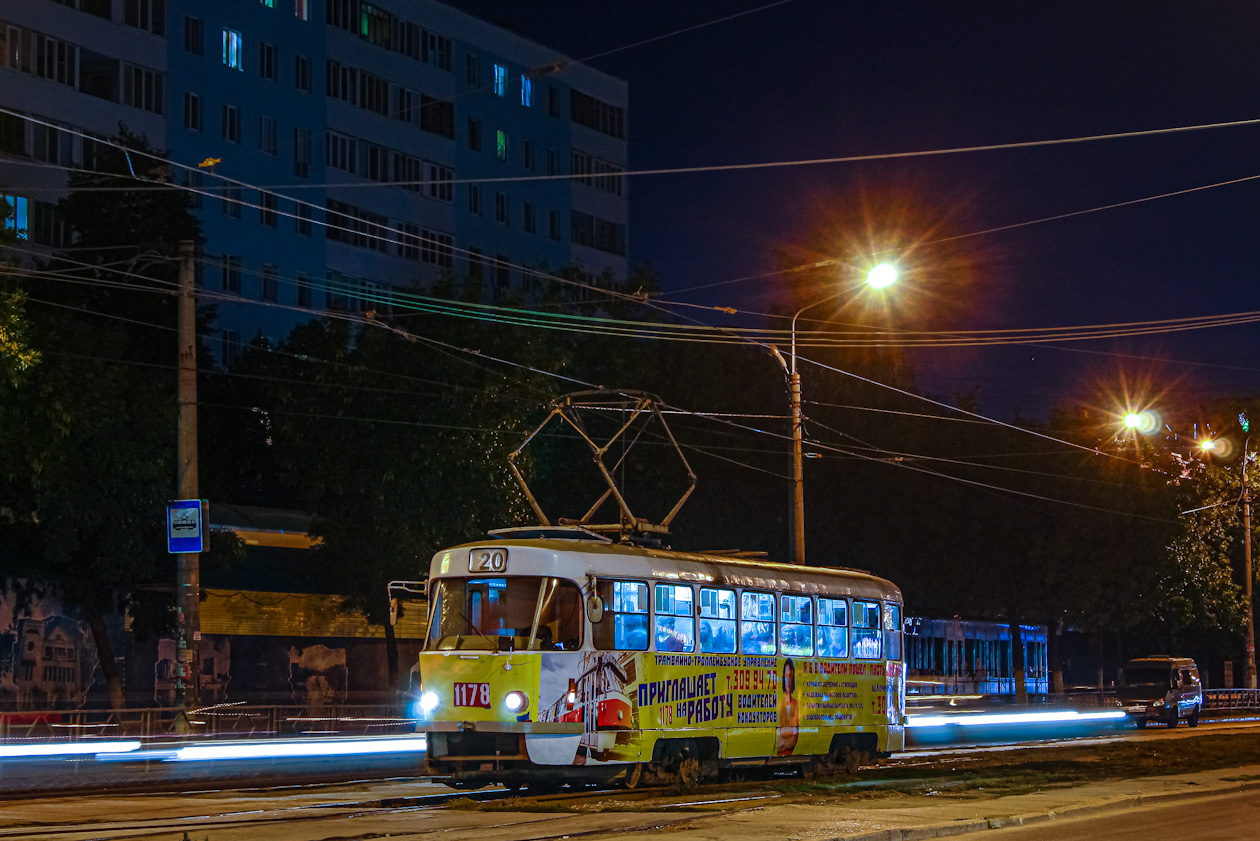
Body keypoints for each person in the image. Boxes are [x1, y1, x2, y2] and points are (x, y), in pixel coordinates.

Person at [775, 658, 800, 756]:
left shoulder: (796, 703)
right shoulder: (780, 704)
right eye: (786, 676)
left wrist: (783, 744)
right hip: (780, 753)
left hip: (790, 752)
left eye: (790, 676)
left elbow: (795, 739)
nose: (788, 680)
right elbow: (778, 738)